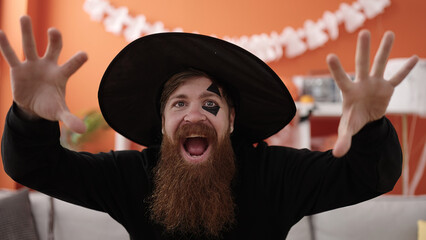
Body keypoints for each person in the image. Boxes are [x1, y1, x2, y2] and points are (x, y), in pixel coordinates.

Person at [0, 15, 419, 240]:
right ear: (162, 124)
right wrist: (30, 115)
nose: (194, 116)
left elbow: (369, 175)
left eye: (210, 103)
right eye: (179, 103)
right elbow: (35, 167)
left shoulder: (276, 176)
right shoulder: (131, 177)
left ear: (231, 120)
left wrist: (371, 125)